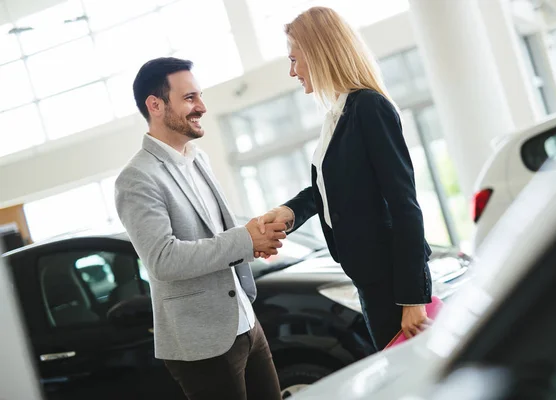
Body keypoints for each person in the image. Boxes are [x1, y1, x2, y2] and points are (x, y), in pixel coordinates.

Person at [257, 7, 433, 351]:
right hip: (370, 279)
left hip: (393, 284)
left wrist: (413, 298)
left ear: (319, 53)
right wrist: (289, 212)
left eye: (294, 59)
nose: (292, 71)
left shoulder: (369, 107)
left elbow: (404, 204)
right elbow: (331, 188)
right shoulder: (338, 114)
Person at [114, 57, 284, 400]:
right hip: (201, 343)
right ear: (155, 105)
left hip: (246, 323)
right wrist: (243, 240)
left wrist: (255, 240)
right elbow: (164, 259)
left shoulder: (198, 157)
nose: (202, 107)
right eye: (190, 98)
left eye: (200, 96)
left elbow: (216, 230)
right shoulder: (137, 179)